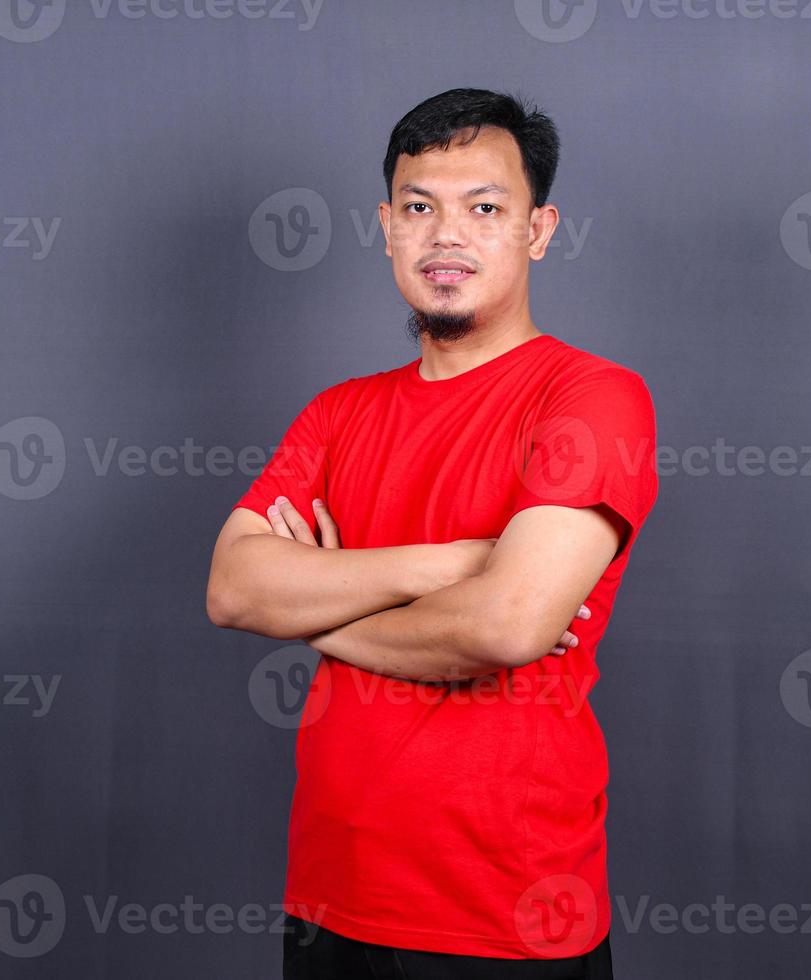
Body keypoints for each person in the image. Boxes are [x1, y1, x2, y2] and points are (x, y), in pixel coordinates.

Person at [206, 87, 658, 979]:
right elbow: (234, 590)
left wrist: (318, 609)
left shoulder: (592, 397)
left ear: (539, 229)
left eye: (485, 208)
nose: (446, 235)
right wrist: (452, 563)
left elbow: (503, 629)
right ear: (385, 225)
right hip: (330, 896)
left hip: (506, 914)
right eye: (420, 207)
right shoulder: (336, 413)